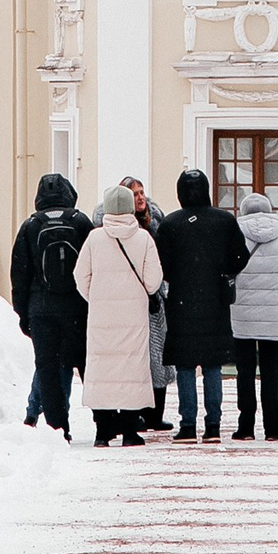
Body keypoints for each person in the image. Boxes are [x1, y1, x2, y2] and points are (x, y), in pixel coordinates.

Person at [156, 166, 250, 441]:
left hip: (182, 303)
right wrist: (222, 272)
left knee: (185, 366)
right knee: (212, 366)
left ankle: (187, 425)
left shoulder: (171, 224)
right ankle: (213, 426)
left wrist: (180, 276)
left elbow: (162, 265)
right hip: (215, 301)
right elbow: (240, 258)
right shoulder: (224, 221)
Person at [76, 185, 166, 445]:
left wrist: (95, 297)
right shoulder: (143, 239)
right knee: (131, 369)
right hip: (134, 318)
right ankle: (129, 430)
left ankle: (103, 431)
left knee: (103, 370)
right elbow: (153, 281)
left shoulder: (94, 239)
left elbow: (80, 276)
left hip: (101, 318)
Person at [9, 171, 90, 438]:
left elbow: (19, 275)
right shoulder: (80, 222)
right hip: (78, 307)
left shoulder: (30, 226)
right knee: (87, 365)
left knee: (48, 369)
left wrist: (23, 314)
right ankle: (105, 423)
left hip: (41, 309)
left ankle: (58, 428)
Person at [227, 184, 278, 439]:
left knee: (245, 372)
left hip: (242, 317)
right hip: (273, 319)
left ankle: (246, 426)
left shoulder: (235, 239)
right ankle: (272, 427)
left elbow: (226, 274)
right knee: (272, 372)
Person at [124, 177, 169, 424]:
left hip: (155, 297)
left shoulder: (155, 224)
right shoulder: (121, 228)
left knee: (157, 357)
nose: (140, 198)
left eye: (141, 193)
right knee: (136, 355)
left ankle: (155, 414)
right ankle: (136, 413)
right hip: (131, 298)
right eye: (134, 194)